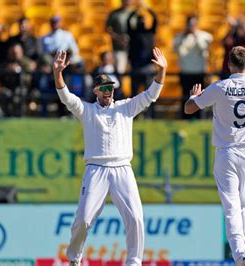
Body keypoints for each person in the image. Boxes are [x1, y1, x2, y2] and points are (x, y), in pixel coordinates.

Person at [53, 47, 167, 266]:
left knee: (135, 218)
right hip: (96, 169)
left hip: (123, 168)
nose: (108, 91)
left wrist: (162, 72)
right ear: (96, 90)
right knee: (84, 220)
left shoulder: (126, 107)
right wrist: (58, 73)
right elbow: (66, 97)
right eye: (104, 88)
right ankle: (74, 259)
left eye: (111, 87)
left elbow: (151, 95)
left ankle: (134, 262)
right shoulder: (87, 110)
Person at [184, 46, 245, 265]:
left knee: (231, 206)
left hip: (227, 152)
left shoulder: (220, 87)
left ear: (229, 64)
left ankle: (240, 255)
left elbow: (189, 109)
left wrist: (194, 96)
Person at [173, 15, 212, 119]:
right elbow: (175, 49)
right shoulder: (180, 36)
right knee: (185, 96)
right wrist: (183, 37)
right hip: (185, 72)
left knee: (199, 97)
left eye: (193, 24)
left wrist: (195, 35)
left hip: (199, 72)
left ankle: (199, 118)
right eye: (189, 24)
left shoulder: (205, 36)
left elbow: (203, 48)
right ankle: (185, 118)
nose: (191, 26)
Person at [105, 0, 135, 74]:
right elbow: (108, 29)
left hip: (133, 48)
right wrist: (118, 38)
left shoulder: (134, 13)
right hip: (119, 48)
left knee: (134, 73)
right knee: (119, 72)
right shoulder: (115, 14)